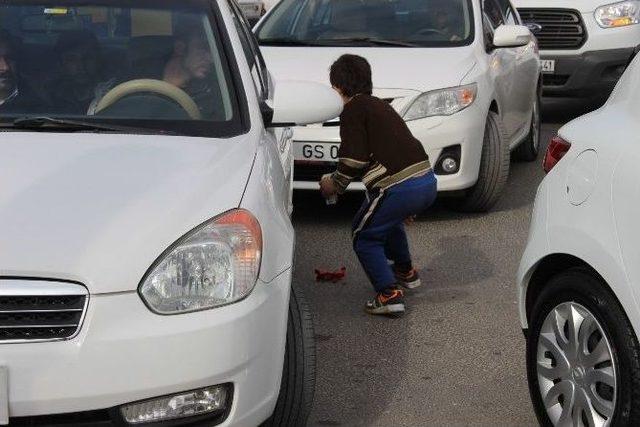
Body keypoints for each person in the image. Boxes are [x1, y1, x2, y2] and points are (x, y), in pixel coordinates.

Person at [320, 54, 437, 316]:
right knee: (387, 221)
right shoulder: (381, 106)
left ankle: (388, 294)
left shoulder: (352, 110)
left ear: (338, 87)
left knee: (364, 235)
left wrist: (334, 184)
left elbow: (353, 159)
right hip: (426, 181)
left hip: (398, 187)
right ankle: (406, 271)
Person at [50, 30, 105, 114]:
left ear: (98, 60)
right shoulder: (50, 93)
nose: (81, 66)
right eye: (72, 59)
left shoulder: (114, 93)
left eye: (88, 58)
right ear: (61, 64)